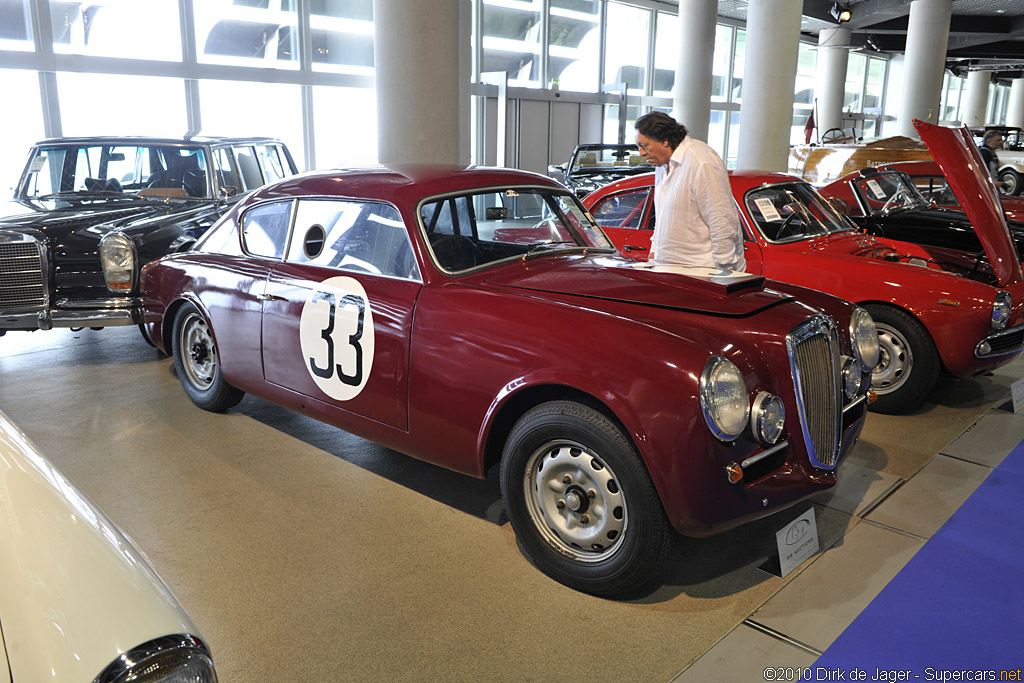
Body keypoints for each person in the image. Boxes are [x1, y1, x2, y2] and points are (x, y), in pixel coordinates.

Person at [634, 112, 746, 272]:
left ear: (665, 140)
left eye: (645, 146)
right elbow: (663, 217)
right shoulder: (662, 164)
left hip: (703, 273)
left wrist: (725, 271)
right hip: (669, 270)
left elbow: (721, 220)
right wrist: (654, 253)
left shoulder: (701, 161)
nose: (641, 153)